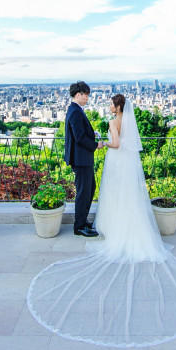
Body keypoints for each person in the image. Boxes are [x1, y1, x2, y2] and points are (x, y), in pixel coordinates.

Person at [28, 93, 176, 347]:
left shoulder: (115, 121)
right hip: (125, 163)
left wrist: (102, 143)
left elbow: (115, 143)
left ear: (117, 107)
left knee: (112, 194)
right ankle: (122, 227)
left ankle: (107, 227)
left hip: (115, 160)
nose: (107, 106)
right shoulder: (126, 119)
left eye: (110, 104)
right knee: (126, 196)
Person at [64, 81, 101, 237]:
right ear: (77, 95)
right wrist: (95, 145)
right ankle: (79, 226)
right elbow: (79, 138)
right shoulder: (75, 112)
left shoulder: (75, 110)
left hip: (82, 158)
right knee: (83, 192)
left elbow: (78, 133)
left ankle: (83, 221)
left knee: (89, 189)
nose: (87, 98)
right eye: (85, 95)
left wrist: (91, 134)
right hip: (81, 159)